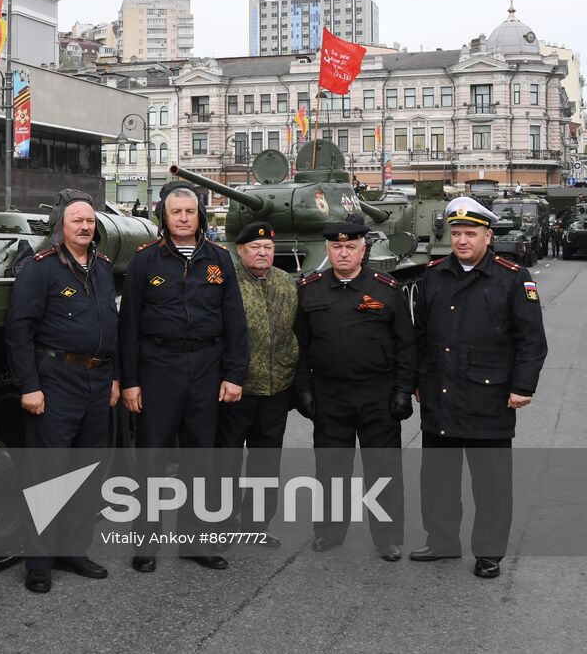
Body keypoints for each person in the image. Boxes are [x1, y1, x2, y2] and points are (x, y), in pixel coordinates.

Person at [409, 197, 548, 579]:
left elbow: (532, 340)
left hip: (489, 395)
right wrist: (419, 380)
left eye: (471, 233)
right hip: (440, 393)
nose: (462, 241)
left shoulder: (512, 277)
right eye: (456, 234)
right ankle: (441, 541)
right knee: (438, 478)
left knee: (491, 482)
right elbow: (420, 335)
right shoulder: (434, 275)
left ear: (488, 235)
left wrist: (523, 386)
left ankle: (489, 552)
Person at [119, 182, 248, 573]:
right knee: (152, 459)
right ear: (164, 215)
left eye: (189, 212)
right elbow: (129, 325)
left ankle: (195, 542)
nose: (183, 218)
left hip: (207, 368)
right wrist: (130, 381)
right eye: (176, 212)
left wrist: (234, 374)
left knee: (200, 459)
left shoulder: (220, 259)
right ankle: (147, 542)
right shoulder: (145, 260)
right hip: (159, 368)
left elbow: (235, 321)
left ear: (200, 215)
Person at [5, 189, 119, 593]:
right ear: (61, 227)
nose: (85, 227)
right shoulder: (41, 269)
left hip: (97, 381)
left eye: (90, 221)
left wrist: (115, 378)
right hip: (56, 380)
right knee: (47, 473)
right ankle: (38, 562)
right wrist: (30, 386)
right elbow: (20, 330)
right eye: (77, 221)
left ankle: (74, 550)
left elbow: (111, 328)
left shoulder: (103, 268)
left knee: (86, 471)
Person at [293, 216, 415, 560]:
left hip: (378, 392)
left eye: (350, 247)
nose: (343, 253)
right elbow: (300, 345)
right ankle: (330, 532)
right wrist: (303, 388)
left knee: (383, 468)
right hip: (329, 393)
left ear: (364, 249)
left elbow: (406, 344)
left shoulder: (386, 288)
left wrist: (404, 389)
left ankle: (387, 537)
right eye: (336, 247)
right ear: (328, 250)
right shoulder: (310, 288)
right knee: (331, 468)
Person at [215, 223, 299, 546]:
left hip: (276, 389)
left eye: (267, 247)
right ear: (240, 250)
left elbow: (296, 331)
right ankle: (223, 523)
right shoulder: (227, 282)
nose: (262, 253)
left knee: (266, 462)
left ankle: (256, 526)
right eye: (255, 247)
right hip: (236, 389)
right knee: (228, 461)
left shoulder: (287, 283)